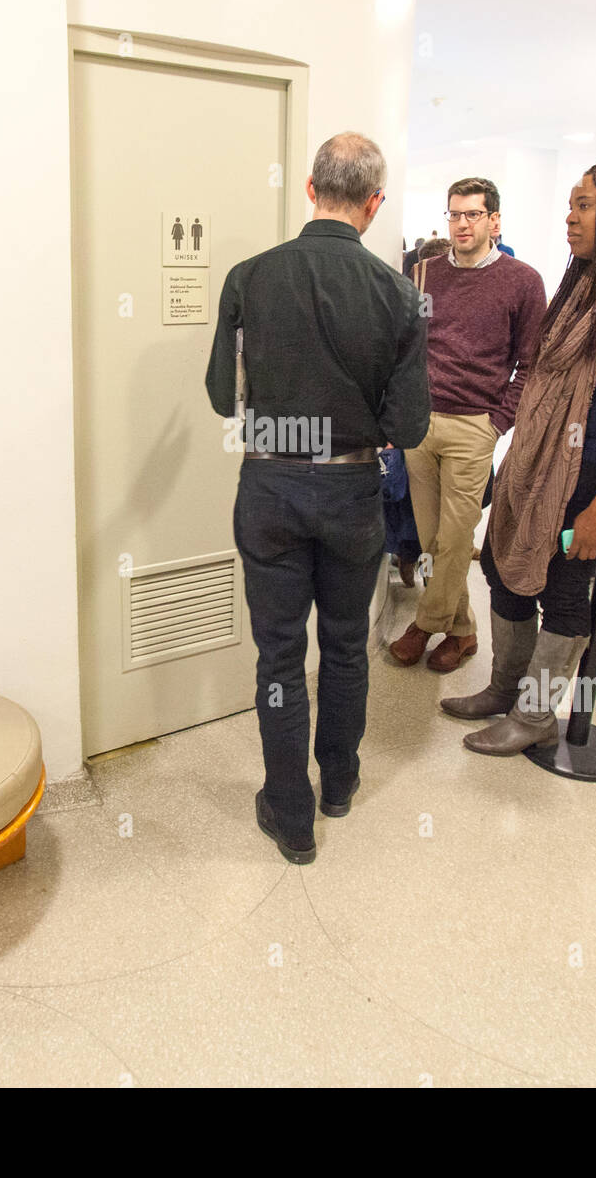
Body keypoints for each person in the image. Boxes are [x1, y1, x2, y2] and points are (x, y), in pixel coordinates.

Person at [205, 132, 430, 863]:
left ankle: (291, 814)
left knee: (278, 657)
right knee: (344, 646)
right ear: (374, 204)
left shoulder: (247, 277)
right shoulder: (400, 294)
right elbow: (410, 424)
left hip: (269, 485)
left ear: (309, 188)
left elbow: (218, 397)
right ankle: (339, 781)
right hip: (351, 492)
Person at [449, 154, 596, 752]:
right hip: (538, 463)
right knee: (504, 571)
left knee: (562, 590)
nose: (570, 218)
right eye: (572, 204)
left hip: (592, 479)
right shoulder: (588, 282)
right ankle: (505, 690)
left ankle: (534, 717)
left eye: (584, 206)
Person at [391, 180, 546, 674]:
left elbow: (533, 362)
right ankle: (464, 631)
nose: (461, 223)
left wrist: (499, 422)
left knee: (456, 538)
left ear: (494, 221)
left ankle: (424, 623)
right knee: (434, 536)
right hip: (421, 424)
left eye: (473, 215)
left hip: (474, 427)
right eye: (455, 214)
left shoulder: (523, 281)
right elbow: (406, 347)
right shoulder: (422, 274)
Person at [390, 237, 450, 584]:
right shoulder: (410, 303)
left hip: (447, 421)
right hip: (418, 420)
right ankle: (415, 563)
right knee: (416, 508)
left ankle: (422, 567)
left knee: (437, 512)